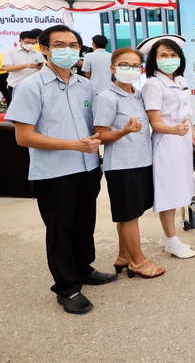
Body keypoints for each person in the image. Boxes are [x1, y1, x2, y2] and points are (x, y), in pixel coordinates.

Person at [6, 25, 116, 315]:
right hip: (54, 172)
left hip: (87, 167)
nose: (68, 50)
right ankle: (67, 287)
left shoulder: (85, 86)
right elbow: (23, 137)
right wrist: (72, 145)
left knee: (84, 222)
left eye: (73, 45)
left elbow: (96, 124)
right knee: (60, 229)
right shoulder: (31, 87)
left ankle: (84, 268)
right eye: (59, 45)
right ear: (44, 49)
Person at [93, 48, 165, 279]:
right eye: (124, 65)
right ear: (113, 68)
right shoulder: (106, 97)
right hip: (122, 165)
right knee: (128, 215)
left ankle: (124, 256)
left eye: (135, 66)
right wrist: (124, 131)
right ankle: (138, 260)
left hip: (142, 161)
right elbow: (100, 135)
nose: (130, 69)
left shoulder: (138, 95)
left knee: (131, 213)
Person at [140, 35, 195, 258]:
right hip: (166, 143)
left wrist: (193, 132)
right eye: (163, 55)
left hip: (182, 141)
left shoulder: (181, 80)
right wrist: (175, 130)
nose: (169, 59)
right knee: (168, 192)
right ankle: (172, 241)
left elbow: (186, 113)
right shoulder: (153, 85)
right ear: (154, 60)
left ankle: (166, 237)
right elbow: (155, 122)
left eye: (173, 55)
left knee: (180, 187)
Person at [3, 30, 45, 104]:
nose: (30, 45)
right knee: (16, 108)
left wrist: (40, 67)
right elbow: (7, 68)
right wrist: (26, 65)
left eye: (33, 43)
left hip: (34, 86)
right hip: (15, 85)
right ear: (20, 41)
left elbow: (44, 68)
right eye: (27, 42)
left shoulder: (38, 54)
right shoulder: (10, 52)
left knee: (33, 107)